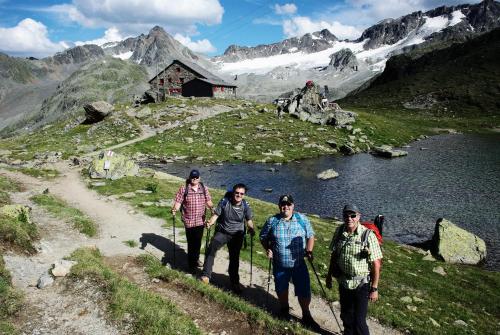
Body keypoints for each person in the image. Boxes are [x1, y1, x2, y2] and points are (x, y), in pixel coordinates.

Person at [259, 195, 319, 329]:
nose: (285, 207)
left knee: (304, 291)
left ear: (293, 206)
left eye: (288, 204)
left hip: (299, 264)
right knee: (281, 288)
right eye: (283, 204)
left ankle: (306, 314)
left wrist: (309, 251)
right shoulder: (272, 221)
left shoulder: (302, 219)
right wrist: (268, 248)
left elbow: (310, 235)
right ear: (279, 206)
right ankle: (284, 310)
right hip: (279, 264)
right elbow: (263, 236)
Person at [326, 204, 383, 335]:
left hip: (361, 284)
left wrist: (374, 288)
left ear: (358, 217)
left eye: (353, 215)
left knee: (359, 321)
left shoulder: (368, 235)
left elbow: (376, 265)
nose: (349, 218)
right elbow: (334, 255)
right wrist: (329, 276)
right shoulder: (339, 231)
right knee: (346, 316)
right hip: (343, 281)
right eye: (346, 215)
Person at [200, 183, 255, 293]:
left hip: (237, 235)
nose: (239, 195)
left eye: (241, 193)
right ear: (233, 192)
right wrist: (210, 223)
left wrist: (251, 228)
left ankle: (234, 282)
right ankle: (206, 276)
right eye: (237, 193)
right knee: (211, 249)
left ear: (244, 195)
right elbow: (216, 215)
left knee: (234, 258)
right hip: (223, 232)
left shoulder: (245, 205)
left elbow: (249, 220)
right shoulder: (225, 202)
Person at [171, 169, 214, 273]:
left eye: (196, 177)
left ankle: (195, 259)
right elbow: (178, 201)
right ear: (189, 178)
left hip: (200, 220)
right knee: (191, 242)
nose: (194, 179)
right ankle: (191, 265)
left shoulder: (204, 188)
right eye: (192, 177)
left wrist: (213, 209)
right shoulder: (184, 188)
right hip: (189, 221)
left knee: (198, 242)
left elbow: (208, 202)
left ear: (199, 178)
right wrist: (175, 209)